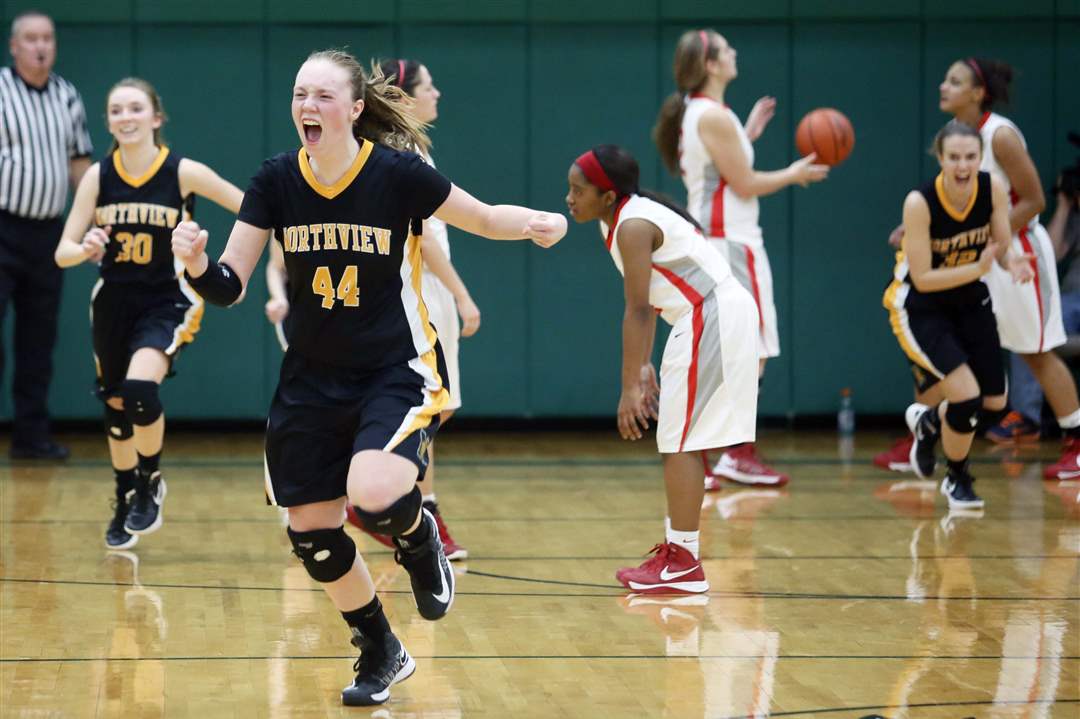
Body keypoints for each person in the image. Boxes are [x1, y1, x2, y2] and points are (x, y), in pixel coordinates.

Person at [171, 49, 565, 706]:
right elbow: (230, 285)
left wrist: (534, 224)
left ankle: (419, 537)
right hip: (310, 379)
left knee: (373, 489)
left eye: (323, 95)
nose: (307, 107)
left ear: (356, 108)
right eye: (300, 94)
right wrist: (196, 262)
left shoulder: (398, 175)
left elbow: (483, 217)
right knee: (312, 530)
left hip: (394, 368)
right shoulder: (275, 180)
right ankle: (381, 645)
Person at [54, 77, 244, 549]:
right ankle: (125, 497)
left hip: (167, 299)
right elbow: (62, 250)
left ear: (156, 118)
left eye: (135, 108)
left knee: (140, 389)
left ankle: (149, 479)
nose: (126, 117)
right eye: (116, 110)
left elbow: (250, 206)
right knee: (117, 408)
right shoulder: (99, 176)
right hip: (114, 301)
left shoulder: (182, 171)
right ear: (108, 122)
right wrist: (85, 249)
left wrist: (228, 252)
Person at [565, 143, 759, 593]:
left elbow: (638, 311)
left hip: (710, 315)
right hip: (703, 316)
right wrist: (646, 363)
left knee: (681, 441)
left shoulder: (633, 224)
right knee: (681, 438)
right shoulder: (617, 220)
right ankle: (680, 555)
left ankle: (684, 561)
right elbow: (653, 296)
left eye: (578, 190)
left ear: (608, 196)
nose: (569, 199)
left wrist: (630, 386)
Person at [653, 28, 828, 488]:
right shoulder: (712, 117)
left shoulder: (704, 113)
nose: (735, 53)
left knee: (729, 350)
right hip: (730, 241)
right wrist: (795, 173)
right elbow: (746, 183)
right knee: (752, 350)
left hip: (718, 239)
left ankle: (714, 453)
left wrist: (746, 133)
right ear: (711, 64)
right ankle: (734, 452)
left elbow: (724, 170)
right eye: (728, 49)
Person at [341, 58, 476, 560]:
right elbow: (424, 236)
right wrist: (461, 294)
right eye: (428, 85)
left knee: (430, 407)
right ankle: (413, 511)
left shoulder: (403, 148)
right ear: (403, 97)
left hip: (412, 288)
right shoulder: (401, 154)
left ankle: (384, 500)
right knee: (428, 405)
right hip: (418, 289)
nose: (437, 92)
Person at [939, 58, 1080, 477]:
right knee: (945, 344)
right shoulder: (956, 137)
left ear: (977, 92)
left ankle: (1076, 440)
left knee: (1036, 353)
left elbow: (1035, 200)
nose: (943, 86)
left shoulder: (999, 135)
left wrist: (990, 237)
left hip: (1019, 253)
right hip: (983, 254)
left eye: (954, 81)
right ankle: (924, 433)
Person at [885, 121, 1033, 509]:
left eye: (970, 156)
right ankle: (958, 478)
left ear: (980, 157)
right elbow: (923, 278)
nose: (963, 165)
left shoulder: (992, 188)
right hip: (921, 306)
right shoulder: (919, 202)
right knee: (966, 395)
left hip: (969, 299)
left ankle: (931, 422)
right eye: (954, 157)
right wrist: (979, 269)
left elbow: (999, 243)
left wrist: (1013, 261)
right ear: (941, 159)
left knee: (995, 402)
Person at [1, 11, 93, 459]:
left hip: (47, 235)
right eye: (31, 38)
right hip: (1, 227)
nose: (40, 46)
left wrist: (97, 218)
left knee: (38, 340)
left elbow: (80, 165)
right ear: (13, 46)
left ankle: (30, 436)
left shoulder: (67, 96)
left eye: (47, 38)